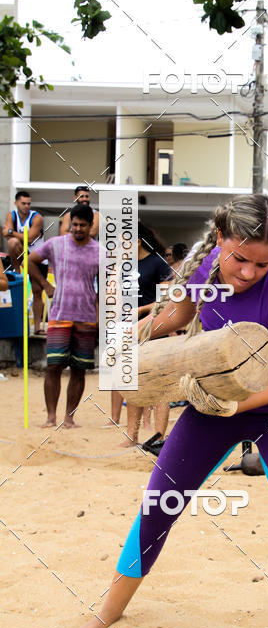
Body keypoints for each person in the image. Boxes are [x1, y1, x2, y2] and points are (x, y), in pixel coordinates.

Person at [75, 193, 268, 628]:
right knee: (159, 504)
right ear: (220, 238)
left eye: (263, 264)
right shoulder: (205, 268)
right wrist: (133, 337)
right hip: (211, 404)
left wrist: (230, 405)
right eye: (240, 258)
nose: (248, 273)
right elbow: (177, 314)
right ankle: (106, 614)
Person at [28, 204, 99, 429]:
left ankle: (69, 418)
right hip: (59, 314)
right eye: (74, 224)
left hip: (86, 316)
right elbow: (30, 261)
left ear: (91, 226)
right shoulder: (56, 244)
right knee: (53, 366)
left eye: (82, 225)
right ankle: (51, 417)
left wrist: (99, 316)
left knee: (79, 369)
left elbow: (107, 286)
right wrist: (45, 286)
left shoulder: (101, 252)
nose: (77, 229)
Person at [114, 223, 172, 450]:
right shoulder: (124, 265)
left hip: (154, 330)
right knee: (131, 383)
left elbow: (166, 300)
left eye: (123, 241)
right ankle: (131, 436)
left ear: (136, 241)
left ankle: (157, 438)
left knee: (160, 386)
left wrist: (140, 311)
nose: (119, 246)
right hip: (129, 331)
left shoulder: (158, 263)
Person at [2, 190, 47, 333]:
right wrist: (14, 234)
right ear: (16, 203)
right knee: (13, 243)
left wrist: (11, 232)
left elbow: (30, 238)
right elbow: (6, 234)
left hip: (38, 257)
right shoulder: (12, 215)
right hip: (23, 254)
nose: (26, 206)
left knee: (37, 291)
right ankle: (18, 271)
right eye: (23, 203)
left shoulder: (36, 217)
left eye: (29, 203)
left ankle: (38, 326)